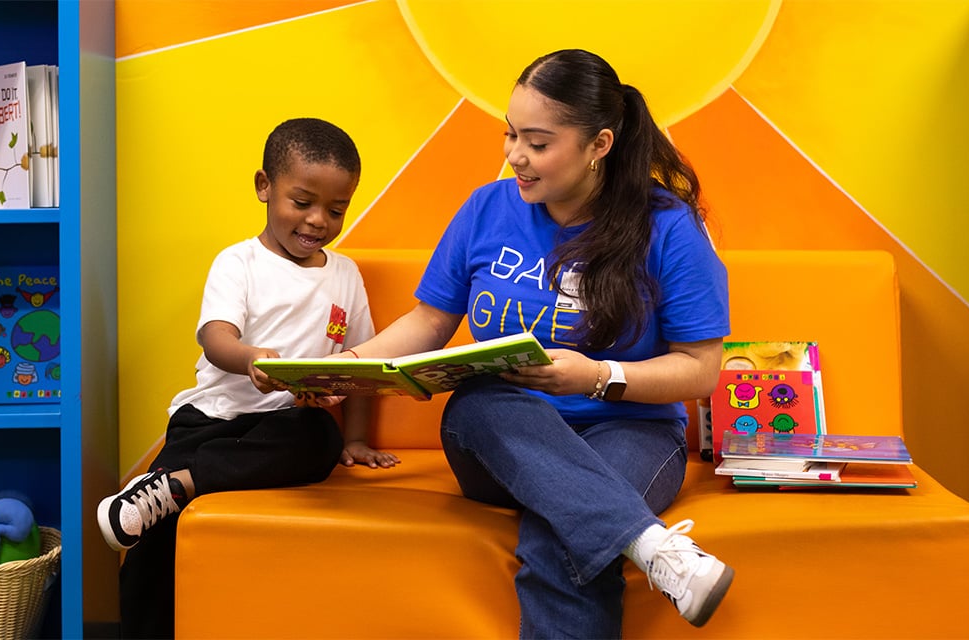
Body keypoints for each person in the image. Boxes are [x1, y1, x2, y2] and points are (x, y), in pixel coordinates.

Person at [286, 49, 735, 636]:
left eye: (538, 143)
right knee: (478, 402)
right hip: (498, 436)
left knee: (562, 532)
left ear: (599, 144)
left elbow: (701, 368)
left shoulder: (667, 225)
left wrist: (598, 376)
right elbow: (427, 323)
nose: (515, 156)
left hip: (632, 431)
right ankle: (652, 546)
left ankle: (649, 548)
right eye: (510, 134)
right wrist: (339, 367)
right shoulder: (486, 208)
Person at [97, 117, 400, 639]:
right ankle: (166, 510)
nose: (317, 221)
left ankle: (182, 485)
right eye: (301, 202)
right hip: (210, 420)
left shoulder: (345, 275)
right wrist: (250, 359)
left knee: (318, 435)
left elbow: (359, 367)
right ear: (264, 186)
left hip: (281, 428)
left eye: (336, 209)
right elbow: (214, 339)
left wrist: (354, 439)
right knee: (154, 541)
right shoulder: (239, 262)